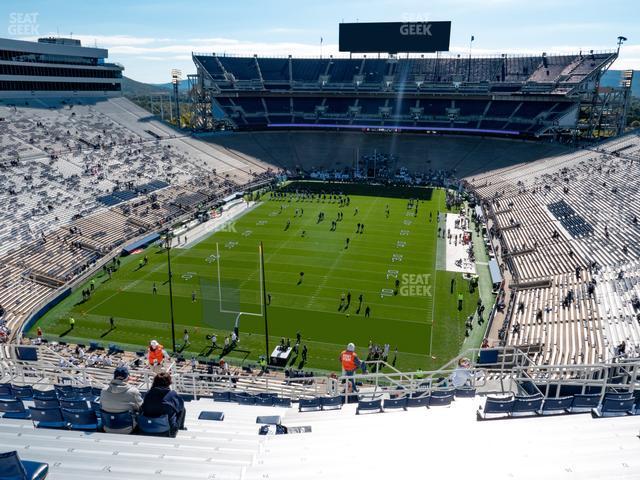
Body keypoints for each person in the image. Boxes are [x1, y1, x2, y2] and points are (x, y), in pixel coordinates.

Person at [141, 372, 186, 437]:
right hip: (168, 430)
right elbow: (180, 406)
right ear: (169, 382)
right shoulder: (172, 394)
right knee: (182, 409)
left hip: (147, 427)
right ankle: (180, 428)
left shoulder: (148, 394)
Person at [100, 366, 143, 434]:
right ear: (127, 377)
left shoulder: (103, 391)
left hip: (107, 428)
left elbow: (101, 406)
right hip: (128, 429)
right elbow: (141, 408)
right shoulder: (133, 392)